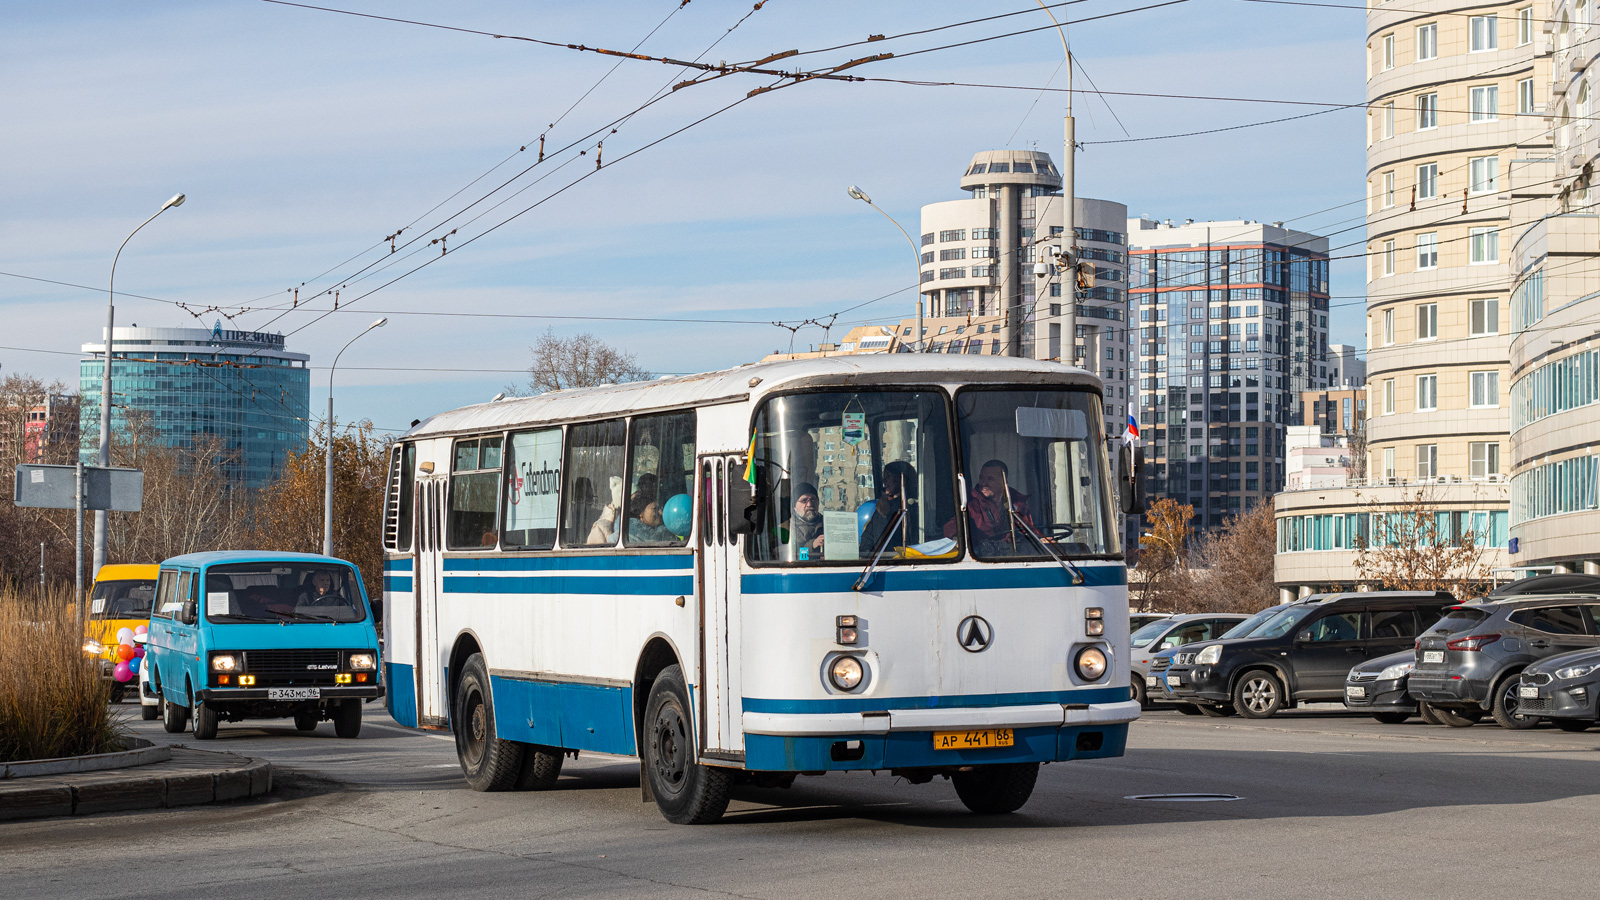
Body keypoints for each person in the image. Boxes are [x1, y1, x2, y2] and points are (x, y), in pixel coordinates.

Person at [946, 459, 1037, 554]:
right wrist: (957, 539)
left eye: (990, 479)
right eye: (981, 478)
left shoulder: (1018, 504)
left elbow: (1030, 533)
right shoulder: (970, 506)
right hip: (984, 558)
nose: (983, 483)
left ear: (1004, 482)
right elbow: (950, 532)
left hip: (1017, 556)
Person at [859, 461, 920, 555]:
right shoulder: (882, 505)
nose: (885, 480)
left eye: (889, 476)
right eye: (884, 477)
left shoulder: (912, 506)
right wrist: (865, 554)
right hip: (880, 559)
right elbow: (868, 537)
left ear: (901, 480)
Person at [776, 482, 824, 559]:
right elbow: (784, 555)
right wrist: (812, 545)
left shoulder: (828, 524)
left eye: (813, 499)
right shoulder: (784, 529)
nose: (809, 504)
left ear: (818, 502)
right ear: (794, 506)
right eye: (804, 501)